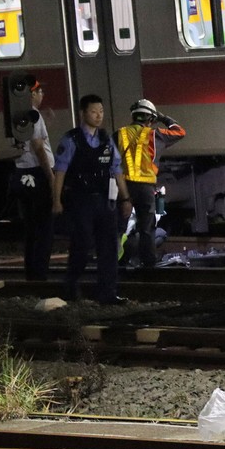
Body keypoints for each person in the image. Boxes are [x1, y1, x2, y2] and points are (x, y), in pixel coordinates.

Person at [52, 94, 132, 303]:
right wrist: (56, 200)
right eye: (94, 111)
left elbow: (117, 170)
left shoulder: (106, 140)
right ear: (83, 113)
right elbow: (60, 171)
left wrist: (125, 199)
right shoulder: (71, 140)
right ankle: (70, 287)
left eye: (101, 112)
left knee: (109, 248)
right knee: (82, 244)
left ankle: (108, 293)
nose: (99, 116)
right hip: (81, 200)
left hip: (105, 201)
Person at [116, 99, 185, 268]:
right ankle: (148, 264)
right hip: (145, 187)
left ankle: (116, 263)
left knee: (119, 227)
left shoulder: (120, 133)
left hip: (123, 187)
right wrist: (163, 117)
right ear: (151, 119)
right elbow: (179, 131)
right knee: (147, 228)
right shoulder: (156, 135)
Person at [11, 80, 55, 281]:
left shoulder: (18, 115)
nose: (42, 94)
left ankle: (32, 273)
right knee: (44, 228)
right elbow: (38, 147)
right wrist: (51, 176)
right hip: (37, 173)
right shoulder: (34, 116)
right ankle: (40, 274)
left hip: (22, 173)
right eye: (40, 91)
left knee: (31, 228)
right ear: (32, 94)